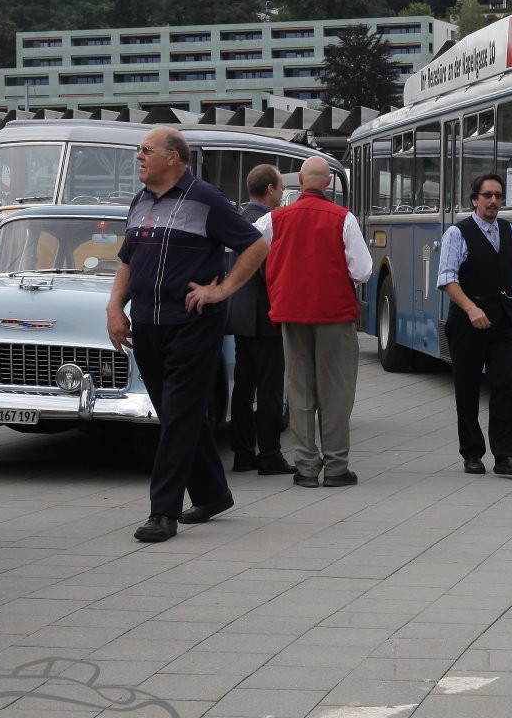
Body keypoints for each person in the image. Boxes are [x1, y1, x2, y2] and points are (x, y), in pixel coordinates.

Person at [107, 128, 268, 543]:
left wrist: (223, 290)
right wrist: (115, 307)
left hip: (192, 324)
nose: (139, 156)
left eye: (146, 150)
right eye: (139, 151)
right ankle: (213, 493)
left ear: (173, 157)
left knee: (178, 415)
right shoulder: (140, 201)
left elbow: (256, 246)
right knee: (177, 413)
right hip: (146, 324)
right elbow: (127, 260)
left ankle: (163, 512)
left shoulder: (206, 199)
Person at [259, 157, 372, 488]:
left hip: (291, 312)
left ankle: (306, 467)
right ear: (327, 183)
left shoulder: (274, 218)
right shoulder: (343, 218)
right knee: (336, 391)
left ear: (301, 181)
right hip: (334, 315)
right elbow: (362, 270)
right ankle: (336, 467)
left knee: (299, 390)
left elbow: (248, 247)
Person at [439, 173, 512, 477]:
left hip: (503, 321)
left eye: (498, 196)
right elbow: (447, 279)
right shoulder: (457, 233)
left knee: (506, 383)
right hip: (468, 322)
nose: (493, 201)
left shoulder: (508, 229)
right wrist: (471, 308)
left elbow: (511, 276)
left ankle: (507, 455)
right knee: (467, 387)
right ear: (474, 200)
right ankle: (472, 453)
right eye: (487, 195)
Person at [227, 164, 290, 477]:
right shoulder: (269, 224)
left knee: (243, 387)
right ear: (269, 189)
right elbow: (272, 273)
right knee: (270, 388)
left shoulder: (237, 219)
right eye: (280, 187)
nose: (282, 193)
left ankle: (242, 453)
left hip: (240, 315)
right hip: (266, 316)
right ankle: (269, 454)